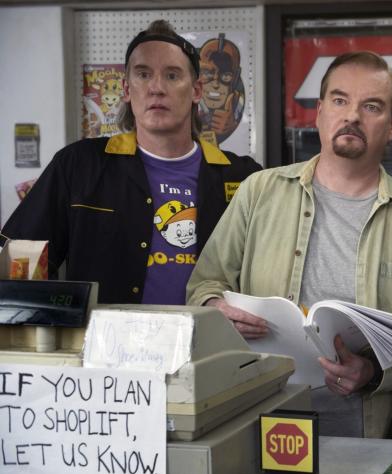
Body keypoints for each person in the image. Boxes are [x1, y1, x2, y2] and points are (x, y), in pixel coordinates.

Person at [186, 51, 392, 440]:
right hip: (263, 411)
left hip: (378, 426)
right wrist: (216, 308)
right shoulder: (259, 192)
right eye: (339, 100)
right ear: (318, 112)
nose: (352, 115)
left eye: (371, 106)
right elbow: (204, 284)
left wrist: (374, 372)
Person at [0, 20, 261, 305]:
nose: (157, 88)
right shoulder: (78, 166)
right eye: (143, 74)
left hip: (211, 346)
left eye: (173, 76)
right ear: (126, 88)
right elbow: (20, 261)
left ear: (197, 91)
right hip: (106, 347)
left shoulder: (244, 177)